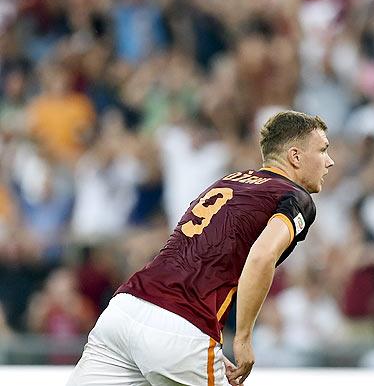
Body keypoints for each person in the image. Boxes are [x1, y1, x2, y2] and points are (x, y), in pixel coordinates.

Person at [67, 110, 334, 386]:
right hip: (182, 326)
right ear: (295, 156)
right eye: (323, 150)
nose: (330, 161)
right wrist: (242, 339)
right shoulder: (293, 197)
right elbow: (262, 256)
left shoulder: (229, 181)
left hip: (125, 310)